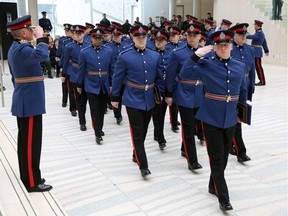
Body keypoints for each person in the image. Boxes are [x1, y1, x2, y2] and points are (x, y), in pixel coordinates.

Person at [184, 30, 247, 211]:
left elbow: (242, 91)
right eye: (220, 45)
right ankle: (223, 198)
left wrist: (242, 113)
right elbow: (185, 72)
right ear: (215, 47)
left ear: (232, 46)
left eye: (226, 44)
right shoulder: (207, 64)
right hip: (211, 116)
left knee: (225, 156)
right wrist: (196, 55)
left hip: (231, 118)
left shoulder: (239, 65)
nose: (223, 48)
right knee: (217, 158)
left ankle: (213, 185)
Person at [111, 25, 165, 178]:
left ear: (147, 38)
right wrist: (115, 98)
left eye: (143, 37)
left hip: (149, 98)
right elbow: (118, 78)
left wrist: (160, 93)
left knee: (144, 129)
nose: (141, 40)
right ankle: (144, 165)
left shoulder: (154, 55)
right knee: (137, 132)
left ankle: (136, 154)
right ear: (133, 38)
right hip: (133, 98)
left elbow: (160, 77)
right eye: (138, 37)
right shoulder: (125, 56)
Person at [7, 15, 53, 192]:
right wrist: (41, 37)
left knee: (26, 141)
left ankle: (28, 175)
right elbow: (43, 54)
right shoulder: (22, 50)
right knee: (31, 143)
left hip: (25, 99)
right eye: (31, 30)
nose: (34, 31)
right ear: (24, 33)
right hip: (30, 102)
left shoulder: (16, 48)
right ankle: (32, 182)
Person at [166, 24, 204, 167]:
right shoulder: (177, 53)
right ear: (186, 36)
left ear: (200, 37)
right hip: (184, 93)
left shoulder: (205, 52)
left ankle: (184, 149)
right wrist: (169, 94)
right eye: (190, 35)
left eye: (195, 35)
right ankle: (192, 160)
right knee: (188, 127)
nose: (192, 38)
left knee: (194, 124)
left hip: (200, 93)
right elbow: (170, 75)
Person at [77, 28, 114, 144]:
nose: (97, 40)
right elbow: (81, 69)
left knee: (102, 109)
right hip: (90, 84)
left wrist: (112, 84)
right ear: (91, 38)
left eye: (99, 38)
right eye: (95, 38)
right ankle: (97, 133)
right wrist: (79, 84)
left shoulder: (108, 51)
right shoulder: (84, 52)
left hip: (104, 84)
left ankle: (100, 128)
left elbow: (112, 69)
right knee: (94, 109)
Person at [229, 23, 255, 162]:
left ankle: (233, 146)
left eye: (245, 34)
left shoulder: (250, 50)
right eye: (240, 34)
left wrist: (251, 88)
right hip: (231, 88)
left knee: (239, 118)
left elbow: (252, 71)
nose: (243, 37)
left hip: (244, 88)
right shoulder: (228, 48)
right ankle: (241, 151)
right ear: (234, 35)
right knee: (235, 120)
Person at [63, 25, 90, 130]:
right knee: (80, 100)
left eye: (80, 33)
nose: (78, 35)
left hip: (87, 76)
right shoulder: (69, 46)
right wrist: (64, 75)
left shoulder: (88, 45)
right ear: (73, 35)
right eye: (76, 34)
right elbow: (66, 62)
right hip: (75, 74)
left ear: (83, 34)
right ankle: (82, 122)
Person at [152, 30, 171, 150]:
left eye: (161, 40)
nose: (158, 42)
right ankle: (160, 137)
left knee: (161, 113)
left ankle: (158, 133)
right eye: (157, 40)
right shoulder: (150, 54)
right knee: (156, 113)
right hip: (154, 89)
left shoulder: (170, 54)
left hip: (166, 88)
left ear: (166, 42)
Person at [105, 22, 127, 124]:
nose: (116, 37)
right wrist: (109, 81)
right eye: (114, 36)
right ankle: (117, 115)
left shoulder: (126, 46)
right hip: (114, 76)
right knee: (116, 95)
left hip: (126, 77)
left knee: (124, 95)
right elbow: (108, 65)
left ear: (121, 36)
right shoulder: (108, 47)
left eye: (118, 36)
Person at [246, 20, 269, 86]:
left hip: (257, 52)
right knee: (257, 66)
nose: (254, 26)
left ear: (257, 25)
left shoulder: (259, 33)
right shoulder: (259, 32)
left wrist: (245, 35)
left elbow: (253, 37)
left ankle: (262, 81)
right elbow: (264, 42)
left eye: (255, 25)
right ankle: (261, 80)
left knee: (258, 67)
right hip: (256, 51)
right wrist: (266, 50)